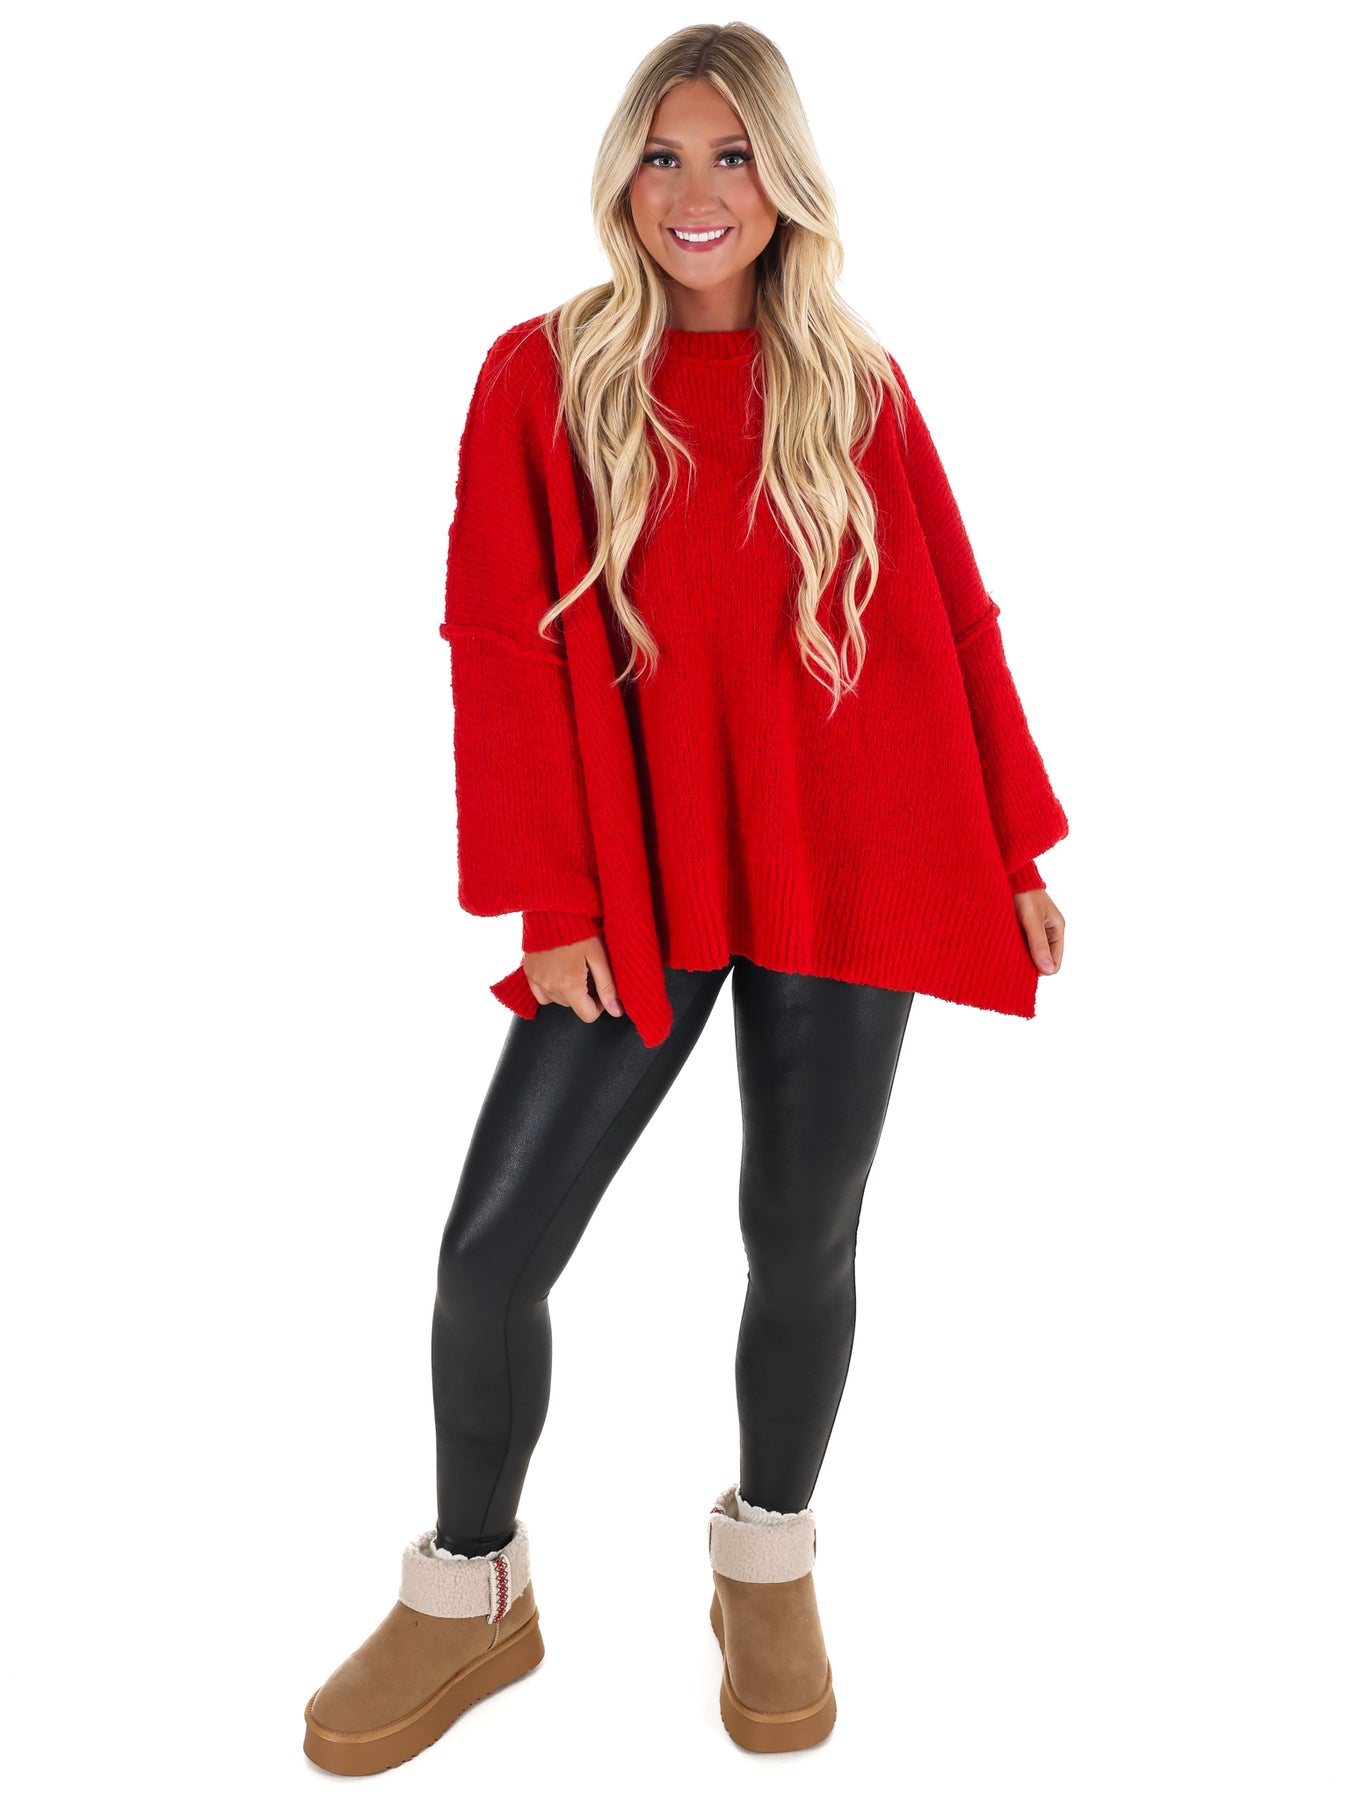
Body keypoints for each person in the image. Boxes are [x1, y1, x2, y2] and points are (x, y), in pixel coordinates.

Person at [303, 21, 1069, 1773]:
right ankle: (470, 1593)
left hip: (846, 849)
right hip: (633, 880)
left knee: (801, 1235)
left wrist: (1011, 852)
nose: (696, 190)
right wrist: (547, 896)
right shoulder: (542, 374)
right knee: (490, 1252)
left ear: (782, 181)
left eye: (732, 155)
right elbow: (497, 645)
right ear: (621, 177)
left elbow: (949, 618)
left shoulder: (856, 384)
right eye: (664, 154)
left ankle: (765, 1560)